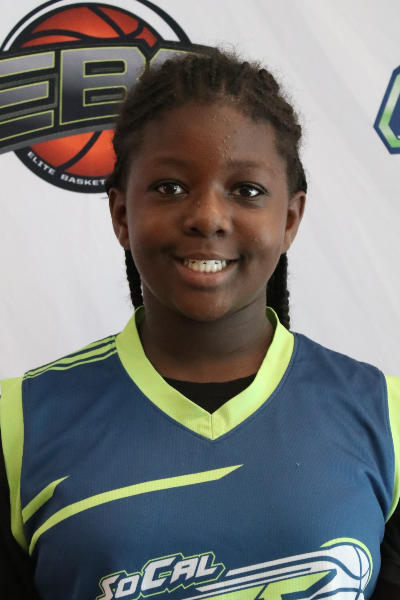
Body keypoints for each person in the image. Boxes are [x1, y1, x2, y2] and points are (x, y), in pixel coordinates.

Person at [0, 48, 399, 600]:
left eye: (246, 191)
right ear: (121, 214)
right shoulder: (19, 424)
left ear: (289, 219)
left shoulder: (384, 417)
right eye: (170, 187)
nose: (208, 217)